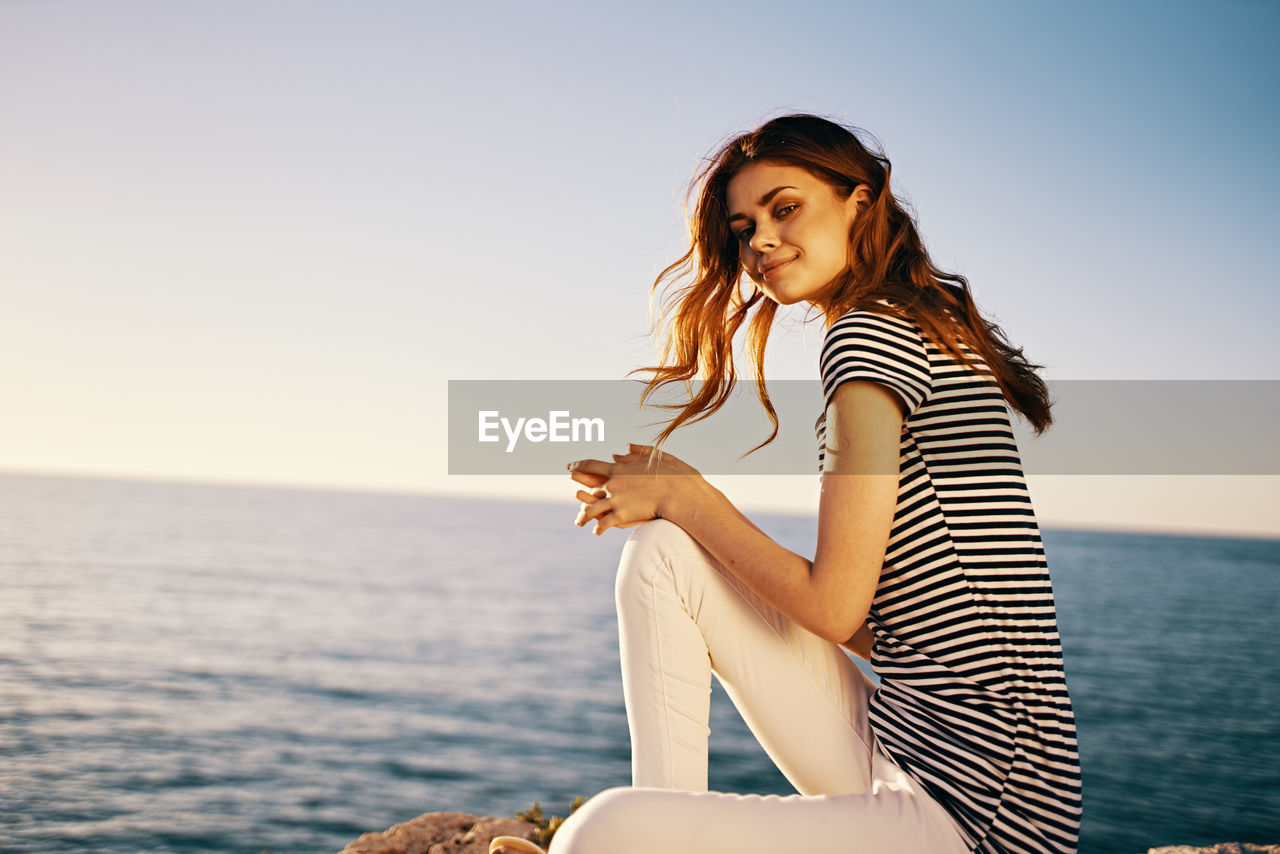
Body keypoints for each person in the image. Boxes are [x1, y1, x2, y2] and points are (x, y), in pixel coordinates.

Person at [490, 114, 1082, 854]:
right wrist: (680, 503)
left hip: (977, 813)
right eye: (744, 227)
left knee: (597, 830)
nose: (760, 239)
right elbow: (903, 624)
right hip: (910, 743)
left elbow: (834, 609)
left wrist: (686, 492)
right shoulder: (919, 325)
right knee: (666, 554)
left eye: (785, 207)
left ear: (859, 204)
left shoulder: (870, 336)